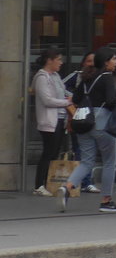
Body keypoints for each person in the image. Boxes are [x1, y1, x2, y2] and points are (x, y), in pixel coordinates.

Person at [61, 47, 116, 212]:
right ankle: (106, 200)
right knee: (110, 161)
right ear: (106, 61)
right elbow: (110, 101)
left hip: (83, 121)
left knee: (86, 161)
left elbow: (77, 98)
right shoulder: (107, 77)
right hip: (102, 123)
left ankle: (68, 185)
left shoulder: (86, 77)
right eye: (114, 59)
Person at [30, 48, 73, 196]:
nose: (61, 63)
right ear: (49, 60)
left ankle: (48, 182)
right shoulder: (42, 77)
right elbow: (47, 100)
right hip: (49, 121)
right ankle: (39, 185)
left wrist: (73, 98)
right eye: (58, 59)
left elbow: (65, 92)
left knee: (55, 152)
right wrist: (66, 103)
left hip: (60, 119)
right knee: (48, 152)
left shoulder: (55, 76)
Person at [62, 52, 99, 193]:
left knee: (89, 151)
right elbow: (61, 86)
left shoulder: (99, 78)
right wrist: (73, 98)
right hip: (79, 118)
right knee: (80, 150)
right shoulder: (77, 76)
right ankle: (84, 182)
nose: (91, 64)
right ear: (83, 63)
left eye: (93, 61)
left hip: (93, 118)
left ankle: (82, 182)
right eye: (89, 61)